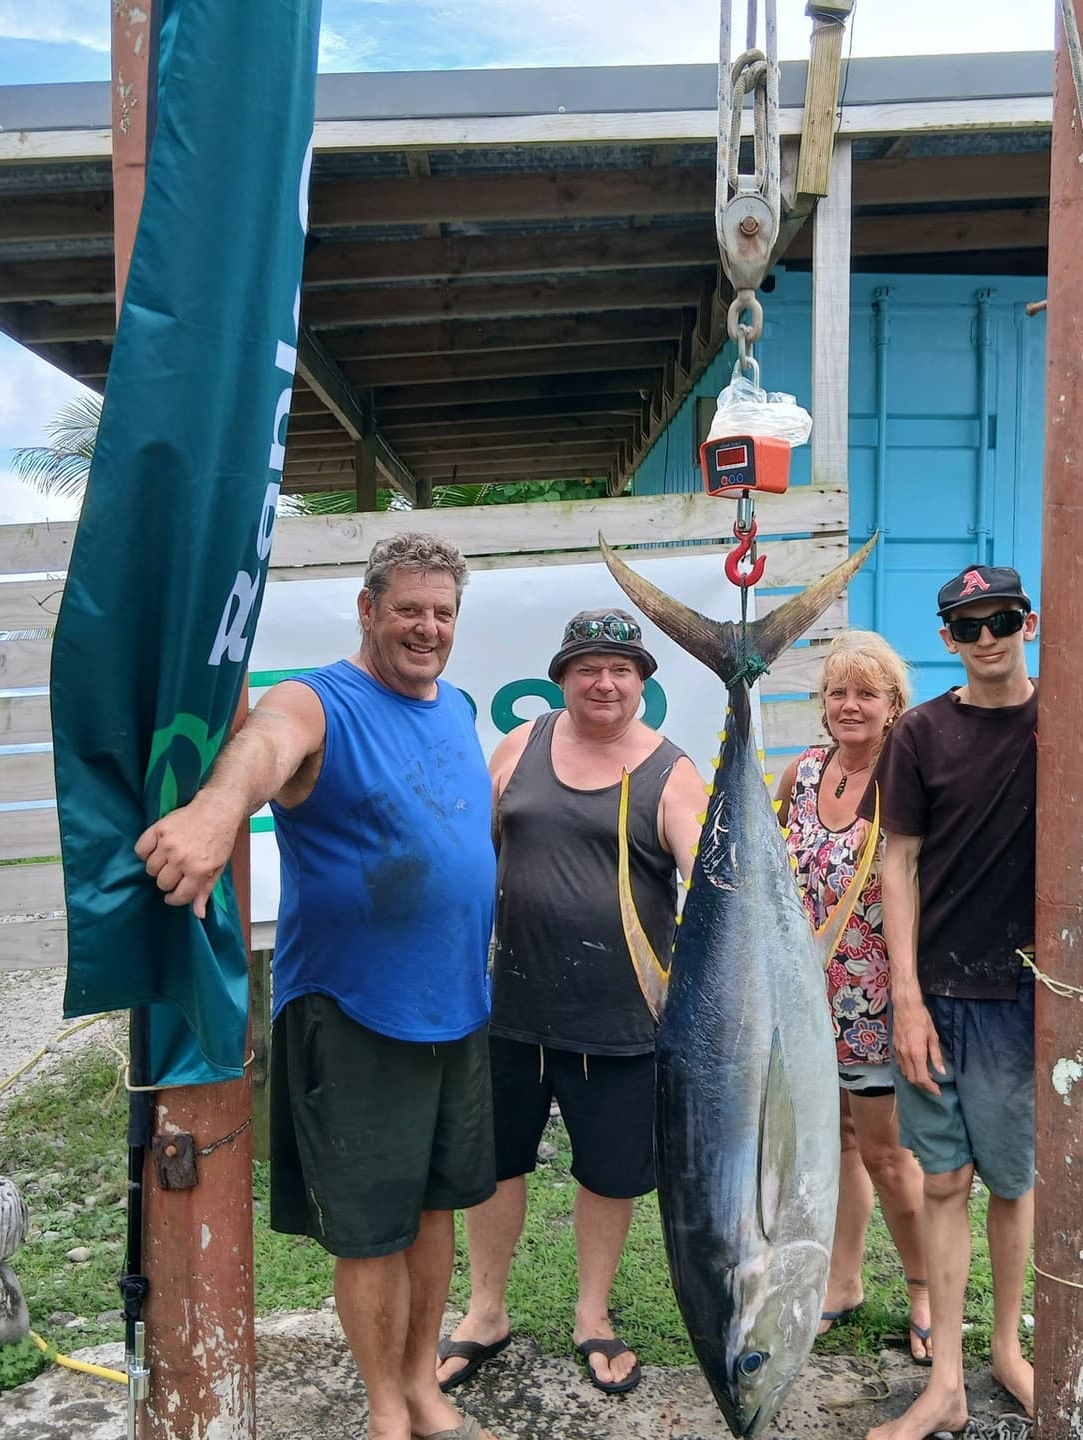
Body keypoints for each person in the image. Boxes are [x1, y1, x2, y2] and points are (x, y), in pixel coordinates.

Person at [135, 532, 503, 1440]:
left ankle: (421, 1385)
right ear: (368, 609)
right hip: (353, 1011)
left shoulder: (457, 707)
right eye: (408, 609)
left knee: (435, 1211)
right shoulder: (319, 699)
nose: (427, 627)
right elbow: (264, 747)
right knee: (371, 1229)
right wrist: (216, 812)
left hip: (457, 1009)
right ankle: (386, 1410)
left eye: (443, 612)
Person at [865, 509, 1083, 1440]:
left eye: (1002, 620)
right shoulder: (919, 734)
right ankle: (947, 1383)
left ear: (1029, 624)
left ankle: (1008, 1349)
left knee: (1012, 1185)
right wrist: (905, 999)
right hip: (938, 995)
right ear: (947, 640)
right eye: (968, 627)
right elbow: (897, 866)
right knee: (942, 1183)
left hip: (1025, 998)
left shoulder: (1081, 716)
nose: (987, 638)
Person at [437, 608, 706, 1398]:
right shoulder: (520, 745)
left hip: (622, 1022)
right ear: (561, 678)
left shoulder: (672, 772)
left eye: (622, 669)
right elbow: (473, 853)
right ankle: (486, 1310)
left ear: (643, 683)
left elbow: (707, 878)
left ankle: (592, 1314)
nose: (605, 682)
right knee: (495, 1165)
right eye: (589, 667)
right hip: (508, 1008)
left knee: (610, 1174)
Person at [772, 629, 933, 1364]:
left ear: (894, 704)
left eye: (867, 693)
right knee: (833, 1144)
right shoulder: (803, 773)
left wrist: (912, 994)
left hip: (874, 1001)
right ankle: (843, 1280)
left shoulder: (908, 776)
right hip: (805, 1001)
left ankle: (924, 1288)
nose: (850, 705)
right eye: (838, 691)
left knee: (886, 1153)